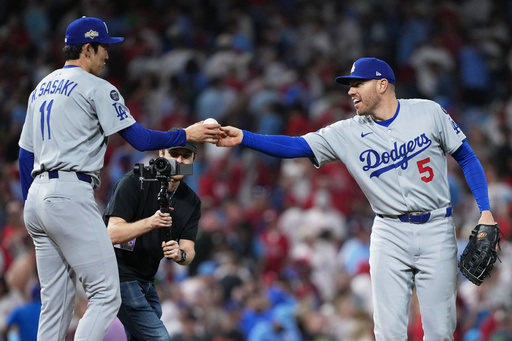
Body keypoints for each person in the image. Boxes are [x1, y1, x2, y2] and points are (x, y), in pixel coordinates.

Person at [216, 57, 497, 340]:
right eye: (350, 85)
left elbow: (467, 157)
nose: (351, 91)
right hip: (390, 231)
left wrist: (485, 210)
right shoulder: (346, 132)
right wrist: (245, 137)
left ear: (382, 84)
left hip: (437, 226)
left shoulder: (428, 112)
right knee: (388, 332)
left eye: (358, 84)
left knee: (440, 332)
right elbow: (296, 145)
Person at [17, 16, 219, 341]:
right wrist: (186, 133)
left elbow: (25, 156)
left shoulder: (41, 88)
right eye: (103, 48)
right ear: (87, 47)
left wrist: (34, 206)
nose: (107, 56)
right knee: (107, 294)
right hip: (69, 191)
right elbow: (139, 139)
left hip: (38, 196)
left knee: (56, 302)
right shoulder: (96, 86)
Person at [103, 137, 202, 340]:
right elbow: (111, 234)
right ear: (161, 155)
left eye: (186, 156)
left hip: (146, 278)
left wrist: (180, 254)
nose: (180, 161)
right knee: (159, 338)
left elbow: (189, 250)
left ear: (194, 159)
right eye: (174, 155)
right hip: (117, 273)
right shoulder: (134, 181)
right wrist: (151, 222)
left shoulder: (191, 201)